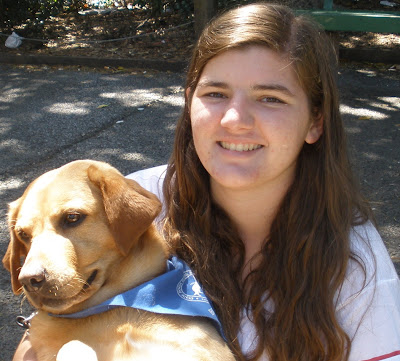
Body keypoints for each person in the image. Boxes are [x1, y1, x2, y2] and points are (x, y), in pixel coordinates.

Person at [12, 3, 400, 361]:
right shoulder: (139, 201)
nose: (235, 119)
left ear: (315, 120)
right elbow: (37, 342)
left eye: (270, 99)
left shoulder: (355, 263)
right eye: (215, 93)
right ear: (189, 102)